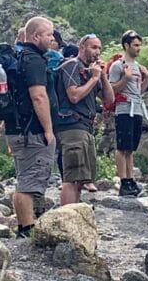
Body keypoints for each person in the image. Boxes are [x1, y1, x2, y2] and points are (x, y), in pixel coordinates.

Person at [7, 16, 57, 238]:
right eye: (49, 34)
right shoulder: (34, 60)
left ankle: (25, 225)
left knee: (24, 177)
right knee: (27, 182)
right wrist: (48, 129)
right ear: (36, 36)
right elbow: (38, 96)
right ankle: (26, 229)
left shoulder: (18, 57)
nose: (52, 38)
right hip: (31, 131)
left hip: (17, 128)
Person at [56, 33, 114, 205]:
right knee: (72, 177)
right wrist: (94, 78)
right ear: (82, 48)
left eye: (99, 48)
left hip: (85, 127)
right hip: (71, 126)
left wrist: (102, 76)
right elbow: (73, 96)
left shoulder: (92, 71)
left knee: (81, 179)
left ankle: (73, 213)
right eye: (93, 47)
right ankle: (66, 219)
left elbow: (109, 99)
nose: (97, 52)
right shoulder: (72, 66)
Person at [109, 30, 148, 197]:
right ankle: (123, 181)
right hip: (124, 108)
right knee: (122, 146)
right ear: (126, 45)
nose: (138, 48)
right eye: (135, 45)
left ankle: (131, 179)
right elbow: (111, 89)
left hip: (137, 107)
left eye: (139, 45)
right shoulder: (118, 66)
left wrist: (147, 78)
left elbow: (138, 92)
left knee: (131, 147)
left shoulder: (138, 67)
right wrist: (125, 79)